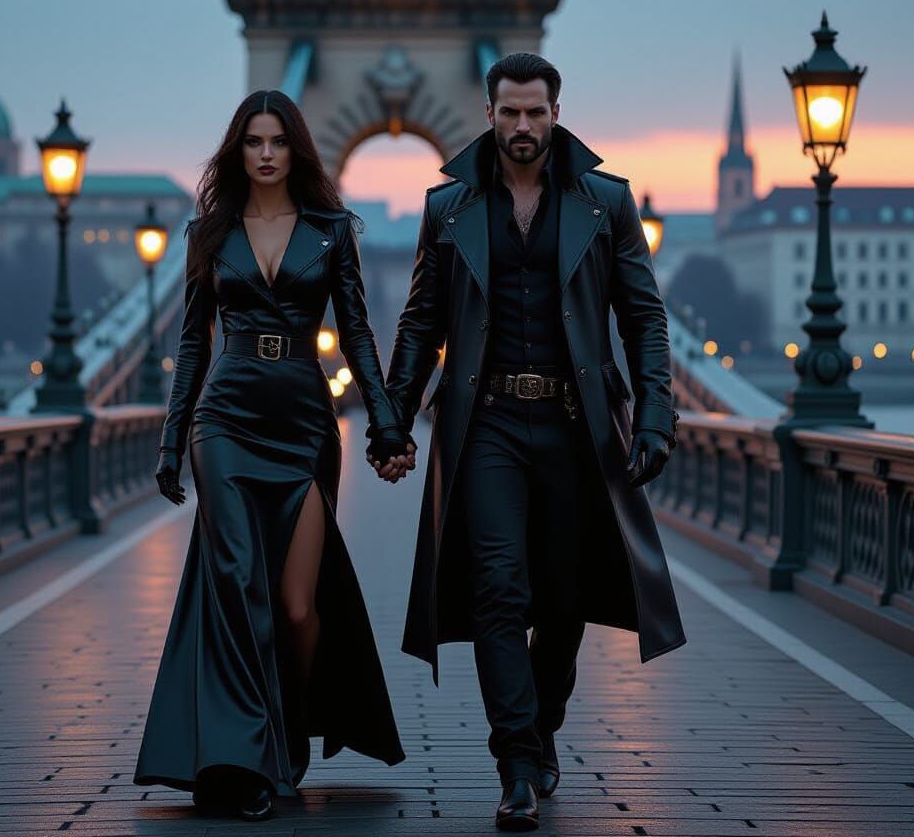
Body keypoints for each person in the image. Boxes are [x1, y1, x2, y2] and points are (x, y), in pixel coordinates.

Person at [380, 53, 686, 831]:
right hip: (484, 425)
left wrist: (655, 416)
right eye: (509, 113)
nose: (523, 127)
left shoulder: (605, 203)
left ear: (556, 112)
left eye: (536, 113)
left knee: (562, 596)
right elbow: (421, 321)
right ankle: (515, 760)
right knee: (497, 590)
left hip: (574, 423)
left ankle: (542, 724)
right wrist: (392, 417)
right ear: (489, 112)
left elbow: (644, 319)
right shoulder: (447, 207)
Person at [134, 89, 413, 821]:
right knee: (236, 580)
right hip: (224, 420)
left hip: (302, 423)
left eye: (278, 141)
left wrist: (385, 425)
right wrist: (173, 440)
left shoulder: (330, 231)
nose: (265, 153)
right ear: (238, 149)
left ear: (295, 150)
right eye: (253, 141)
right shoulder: (208, 233)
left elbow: (358, 335)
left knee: (294, 606)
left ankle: (287, 731)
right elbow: (194, 342)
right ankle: (241, 759)